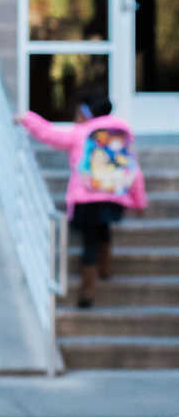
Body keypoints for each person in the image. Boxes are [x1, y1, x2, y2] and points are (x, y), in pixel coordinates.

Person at [16, 91, 147, 307]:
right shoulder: (122, 132)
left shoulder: (82, 132)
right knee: (103, 229)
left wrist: (27, 118)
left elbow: (50, 134)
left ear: (87, 112)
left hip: (85, 197)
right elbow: (133, 169)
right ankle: (104, 269)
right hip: (113, 195)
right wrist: (139, 200)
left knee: (89, 241)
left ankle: (87, 293)